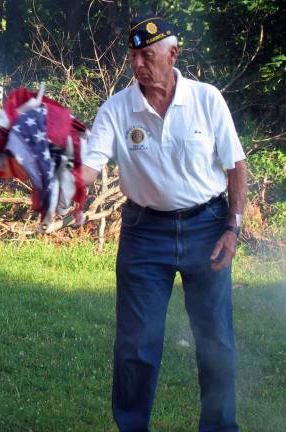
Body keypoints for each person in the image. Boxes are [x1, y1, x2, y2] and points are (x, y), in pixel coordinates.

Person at [80, 15, 247, 432]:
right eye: (134, 56)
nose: (139, 64)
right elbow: (89, 167)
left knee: (216, 342)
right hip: (145, 233)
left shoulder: (207, 99)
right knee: (136, 344)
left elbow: (236, 166)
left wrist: (233, 226)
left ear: (172, 55)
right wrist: (57, 181)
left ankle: (220, 427)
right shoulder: (117, 108)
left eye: (147, 55)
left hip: (207, 228)